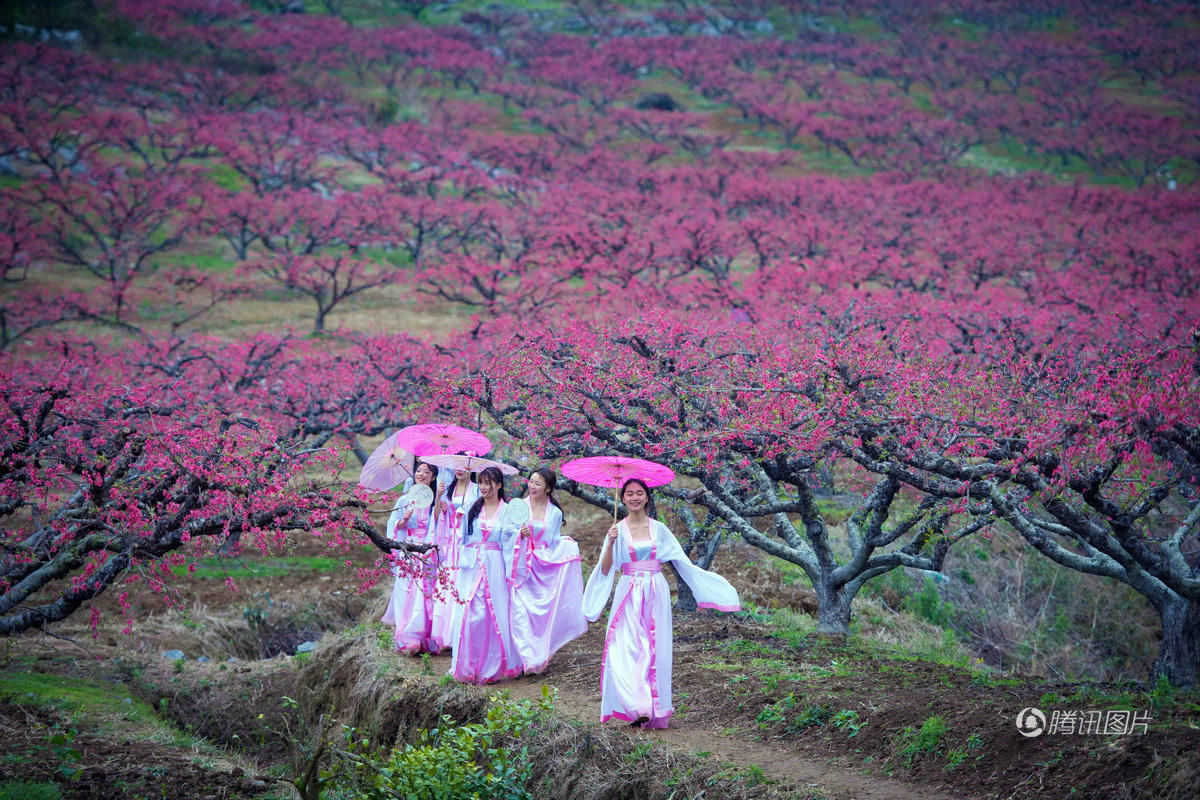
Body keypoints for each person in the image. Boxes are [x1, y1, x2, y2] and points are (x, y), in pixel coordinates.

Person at [582, 477, 740, 729]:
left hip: (655, 590)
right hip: (629, 590)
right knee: (622, 646)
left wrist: (707, 590)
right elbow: (605, 568)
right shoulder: (617, 530)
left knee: (653, 647)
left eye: (639, 493)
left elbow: (680, 560)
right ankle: (636, 705)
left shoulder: (659, 529)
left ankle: (650, 708)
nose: (635, 498)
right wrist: (610, 542)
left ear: (647, 497)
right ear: (622, 498)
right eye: (630, 494)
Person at [509, 468, 587, 674]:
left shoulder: (554, 512)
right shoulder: (518, 507)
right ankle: (523, 657)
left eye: (538, 483)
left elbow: (552, 542)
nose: (532, 486)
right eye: (531, 481)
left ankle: (539, 654)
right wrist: (520, 535)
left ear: (548, 488)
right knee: (520, 610)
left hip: (543, 565)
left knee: (541, 613)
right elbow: (506, 534)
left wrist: (566, 545)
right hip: (522, 564)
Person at [450, 466, 521, 684]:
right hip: (472, 566)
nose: (483, 487)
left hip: (495, 565)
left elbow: (510, 542)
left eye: (488, 482)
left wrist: (520, 535)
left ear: (499, 485)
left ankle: (491, 667)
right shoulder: (471, 508)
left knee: (492, 615)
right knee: (470, 614)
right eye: (481, 482)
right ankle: (468, 664)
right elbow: (461, 539)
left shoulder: (508, 511)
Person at [381, 461, 444, 654]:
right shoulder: (404, 501)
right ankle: (405, 638)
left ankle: (422, 637)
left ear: (433, 477)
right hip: (407, 550)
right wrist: (404, 520)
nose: (421, 474)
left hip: (425, 552)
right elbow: (394, 525)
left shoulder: (434, 500)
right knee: (403, 590)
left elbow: (437, 521)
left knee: (422, 593)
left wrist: (440, 496)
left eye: (427, 472)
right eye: (419, 471)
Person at [434, 464, 478, 648]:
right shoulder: (449, 488)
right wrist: (438, 495)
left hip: (466, 540)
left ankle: (459, 630)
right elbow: (438, 517)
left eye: (464, 467)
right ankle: (445, 633)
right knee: (447, 581)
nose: (459, 470)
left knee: (463, 582)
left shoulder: (477, 490)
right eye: (456, 466)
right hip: (449, 540)